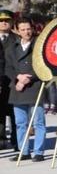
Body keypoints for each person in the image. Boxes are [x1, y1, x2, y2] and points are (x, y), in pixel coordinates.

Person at [6, 16, 46, 161]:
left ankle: (39, 152)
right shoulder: (12, 48)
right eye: (23, 29)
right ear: (17, 30)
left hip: (34, 86)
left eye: (28, 29)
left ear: (32, 28)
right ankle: (24, 151)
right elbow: (8, 67)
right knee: (20, 122)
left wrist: (29, 78)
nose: (26, 32)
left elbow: (43, 66)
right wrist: (18, 78)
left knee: (38, 121)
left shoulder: (39, 45)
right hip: (18, 88)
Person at [0, 10, 16, 149]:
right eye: (1, 20)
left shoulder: (16, 39)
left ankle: (17, 141)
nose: (3, 23)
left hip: (13, 81)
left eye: (6, 20)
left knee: (14, 111)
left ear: (11, 22)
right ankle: (1, 138)